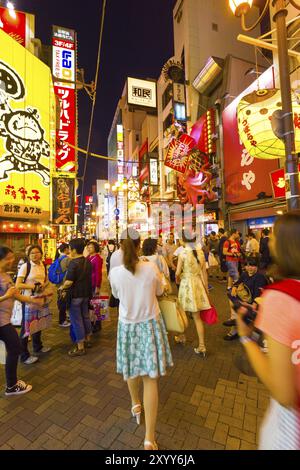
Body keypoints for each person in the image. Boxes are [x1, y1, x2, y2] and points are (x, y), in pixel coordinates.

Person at [236, 212, 300, 450]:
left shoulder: (280, 298)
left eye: (273, 235)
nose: (269, 240)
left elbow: (284, 394)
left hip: (291, 431)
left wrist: (246, 338)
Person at [110, 229, 173, 451]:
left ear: (121, 246)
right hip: (150, 325)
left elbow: (116, 296)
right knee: (150, 379)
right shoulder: (150, 267)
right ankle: (149, 439)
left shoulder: (115, 273)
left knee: (131, 369)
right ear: (139, 246)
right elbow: (159, 291)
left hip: (127, 326)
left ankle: (135, 405)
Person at [0, 246, 43, 396]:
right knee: (15, 347)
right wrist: (6, 296)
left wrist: (33, 300)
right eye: (8, 259)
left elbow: (16, 294)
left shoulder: (5, 275)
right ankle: (11, 386)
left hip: (5, 320)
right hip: (2, 322)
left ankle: (11, 384)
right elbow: (10, 294)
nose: (12, 261)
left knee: (14, 348)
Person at [175, 233, 211, 355]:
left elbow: (177, 272)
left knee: (182, 313)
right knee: (197, 318)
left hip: (186, 285)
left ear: (183, 240)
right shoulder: (200, 252)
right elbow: (204, 273)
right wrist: (206, 289)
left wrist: (178, 278)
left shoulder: (183, 253)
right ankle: (202, 346)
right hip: (198, 285)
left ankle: (182, 336)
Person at [16, 245, 52, 365]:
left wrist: (43, 285)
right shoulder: (26, 266)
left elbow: (46, 280)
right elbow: (18, 285)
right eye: (32, 253)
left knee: (38, 322)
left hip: (40, 298)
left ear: (41, 254)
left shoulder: (43, 265)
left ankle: (38, 347)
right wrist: (33, 286)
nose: (35, 255)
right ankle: (24, 355)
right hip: (27, 300)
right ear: (28, 255)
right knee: (26, 328)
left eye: (37, 252)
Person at [59, 238, 93, 357]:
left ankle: (80, 347)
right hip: (85, 295)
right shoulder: (87, 261)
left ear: (73, 249)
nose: (69, 250)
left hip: (75, 296)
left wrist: (62, 287)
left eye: (70, 248)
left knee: (77, 321)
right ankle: (88, 339)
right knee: (86, 317)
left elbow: (69, 282)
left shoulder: (74, 263)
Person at [223, 257, 268, 341]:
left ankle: (236, 328)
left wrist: (251, 304)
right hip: (246, 299)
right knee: (230, 294)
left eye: (252, 265)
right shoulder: (245, 274)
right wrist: (234, 287)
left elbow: (258, 295)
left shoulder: (260, 277)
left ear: (257, 266)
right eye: (247, 265)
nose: (249, 268)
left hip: (255, 303)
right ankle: (235, 320)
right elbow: (237, 283)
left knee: (238, 307)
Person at [87, 240, 103, 333]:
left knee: (96, 304)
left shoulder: (97, 258)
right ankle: (92, 321)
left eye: (91, 247)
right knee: (91, 304)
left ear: (95, 248)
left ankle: (97, 324)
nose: (89, 248)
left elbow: (98, 273)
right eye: (88, 247)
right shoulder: (88, 257)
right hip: (88, 284)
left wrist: (98, 286)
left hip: (94, 284)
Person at [55, 243, 71, 328]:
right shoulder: (67, 259)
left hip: (59, 283)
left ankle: (63, 318)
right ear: (65, 249)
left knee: (61, 301)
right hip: (64, 284)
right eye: (68, 249)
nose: (69, 250)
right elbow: (67, 273)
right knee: (63, 303)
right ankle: (62, 320)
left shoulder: (59, 258)